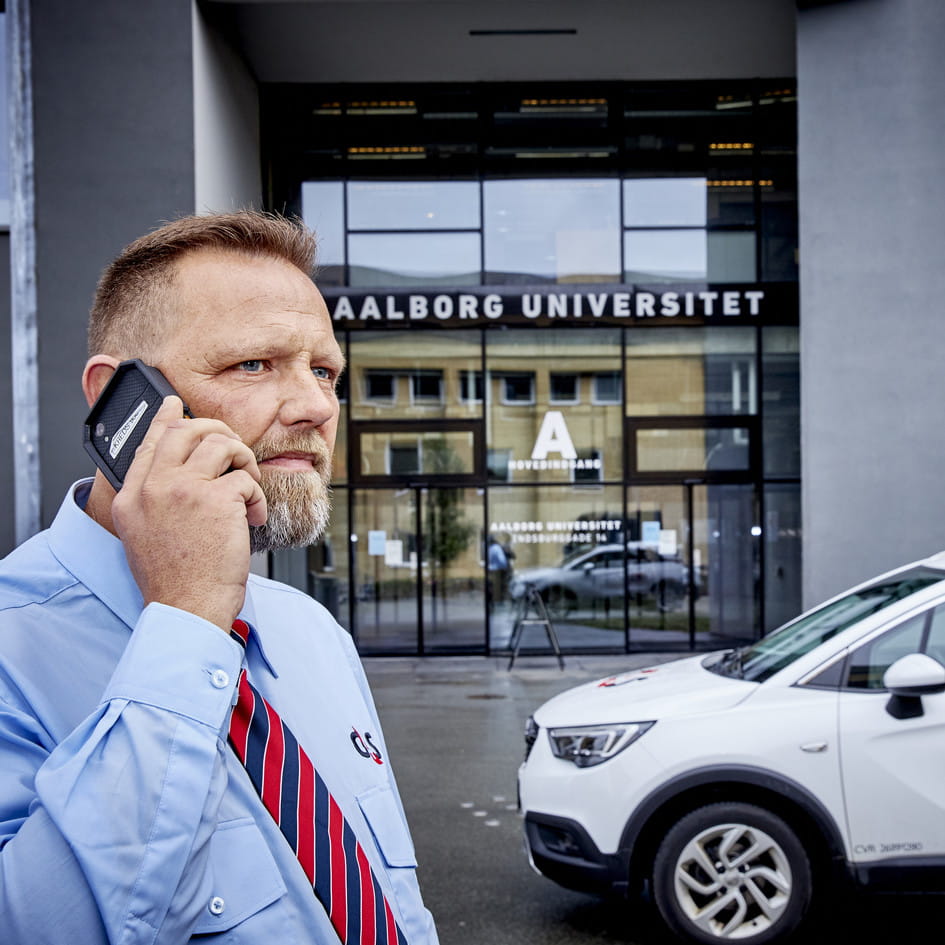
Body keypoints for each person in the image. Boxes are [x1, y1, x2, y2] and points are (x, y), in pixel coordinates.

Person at [0, 211, 439, 944]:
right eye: (253, 364)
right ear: (122, 401)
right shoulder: (11, 647)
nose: (317, 407)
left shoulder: (309, 631)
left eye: (324, 370)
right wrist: (187, 622)